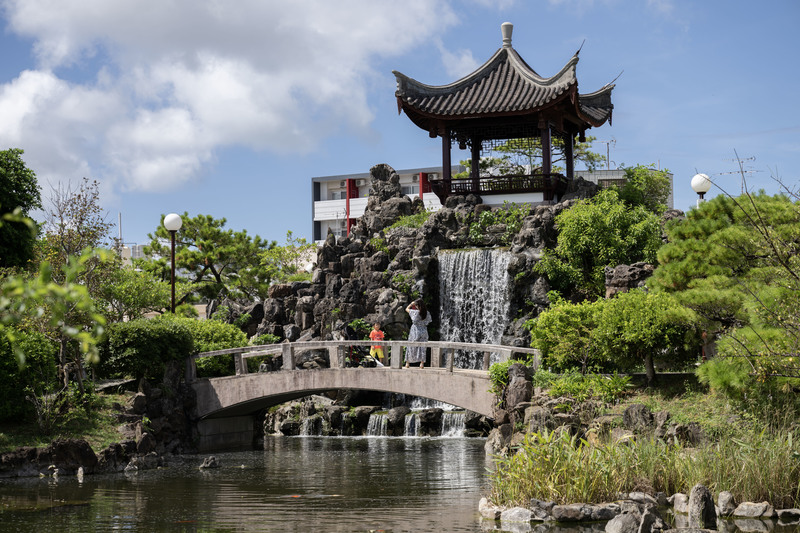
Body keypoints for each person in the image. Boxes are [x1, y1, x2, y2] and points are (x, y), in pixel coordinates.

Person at [405, 299, 431, 369]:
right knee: (423, 347)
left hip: (415, 330)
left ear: (417, 305)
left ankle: (407, 363)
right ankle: (421, 364)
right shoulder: (427, 313)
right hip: (424, 330)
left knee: (411, 345)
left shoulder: (415, 312)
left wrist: (411, 304)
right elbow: (429, 321)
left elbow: (406, 309)